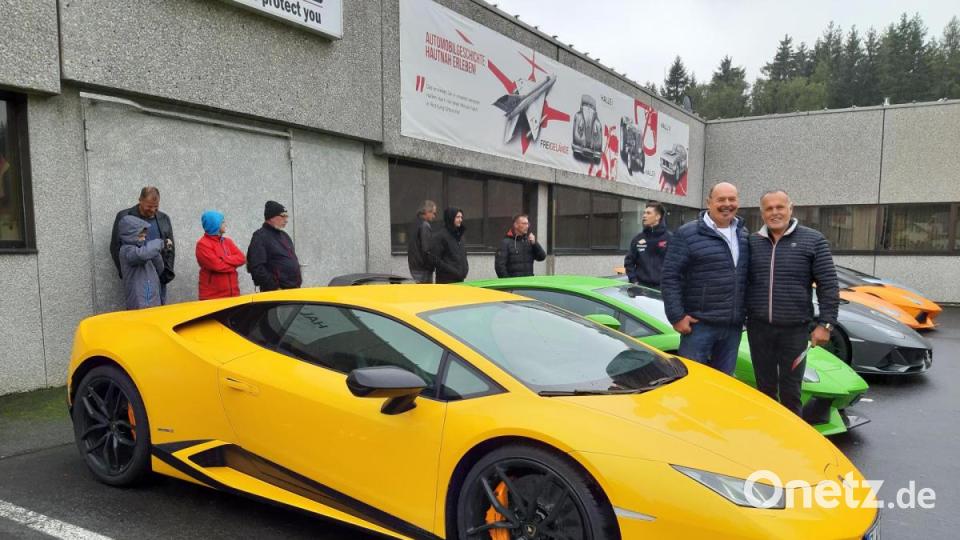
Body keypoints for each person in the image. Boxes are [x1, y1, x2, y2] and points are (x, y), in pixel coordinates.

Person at [746, 190, 840, 416]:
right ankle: (768, 433)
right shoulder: (752, 242)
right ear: (762, 213)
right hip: (759, 330)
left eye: (780, 207)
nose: (775, 212)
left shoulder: (813, 240)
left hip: (794, 332)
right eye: (769, 208)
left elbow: (828, 285)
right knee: (764, 390)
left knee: (791, 391)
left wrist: (826, 325)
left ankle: (792, 435)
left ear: (791, 209)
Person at [660, 182, 749, 375]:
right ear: (709, 202)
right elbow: (670, 277)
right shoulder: (687, 234)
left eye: (732, 199)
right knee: (693, 380)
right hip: (698, 326)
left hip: (732, 328)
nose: (727, 204)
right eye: (721, 199)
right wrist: (676, 316)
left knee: (723, 383)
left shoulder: (743, 234)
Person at [110, 186, 175, 304]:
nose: (153, 210)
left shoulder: (164, 218)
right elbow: (115, 247)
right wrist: (127, 274)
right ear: (140, 200)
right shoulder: (125, 217)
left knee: (159, 308)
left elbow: (170, 248)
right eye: (149, 206)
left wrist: (166, 273)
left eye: (156, 206)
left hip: (160, 276)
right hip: (137, 277)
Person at [246, 200, 302, 291]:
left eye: (287, 217)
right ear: (271, 217)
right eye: (283, 216)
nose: (286, 220)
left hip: (293, 289)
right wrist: (274, 287)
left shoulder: (284, 236)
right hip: (276, 292)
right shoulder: (260, 237)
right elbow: (256, 267)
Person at [116, 215, 165, 310]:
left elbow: (159, 267)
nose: (143, 239)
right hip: (140, 300)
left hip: (152, 297)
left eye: (144, 236)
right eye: (140, 236)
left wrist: (156, 254)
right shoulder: (126, 250)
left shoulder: (143, 249)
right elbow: (142, 255)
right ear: (130, 235)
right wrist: (160, 243)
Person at [195, 210, 246, 300]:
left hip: (233, 294)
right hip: (212, 297)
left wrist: (223, 258)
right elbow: (217, 266)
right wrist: (234, 264)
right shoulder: (202, 244)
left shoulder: (228, 242)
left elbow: (242, 258)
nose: (225, 225)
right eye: (222, 222)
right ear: (214, 224)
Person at [623, 202, 672, 288]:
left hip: (663, 289)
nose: (644, 216)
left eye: (648, 213)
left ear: (657, 217)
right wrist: (634, 280)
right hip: (641, 289)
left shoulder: (670, 238)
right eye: (644, 213)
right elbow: (629, 262)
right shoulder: (638, 239)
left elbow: (676, 264)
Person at [495, 213, 546, 278]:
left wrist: (534, 244)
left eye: (528, 224)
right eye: (524, 223)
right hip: (514, 283)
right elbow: (500, 266)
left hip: (528, 282)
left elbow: (542, 257)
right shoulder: (505, 243)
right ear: (516, 225)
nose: (527, 226)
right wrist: (509, 282)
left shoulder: (529, 241)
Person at [431, 207, 468, 284]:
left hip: (460, 279)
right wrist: (453, 271)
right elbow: (435, 260)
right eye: (458, 217)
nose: (460, 220)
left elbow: (463, 255)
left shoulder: (460, 235)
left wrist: (465, 269)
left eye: (461, 217)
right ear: (450, 218)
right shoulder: (440, 236)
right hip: (446, 281)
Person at [407, 200, 437, 283]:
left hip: (414, 267)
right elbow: (427, 249)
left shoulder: (414, 223)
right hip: (423, 269)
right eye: (433, 213)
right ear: (427, 212)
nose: (434, 216)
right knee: (426, 291)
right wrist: (431, 266)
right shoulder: (425, 225)